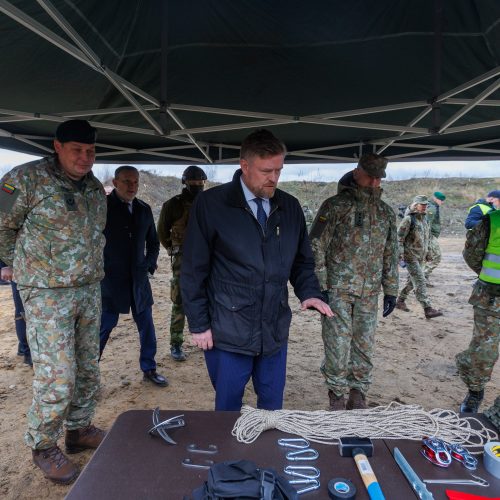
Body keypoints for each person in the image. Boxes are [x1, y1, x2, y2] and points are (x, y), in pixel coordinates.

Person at [181, 129, 333, 411]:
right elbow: (193, 269)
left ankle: (267, 457)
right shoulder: (212, 205)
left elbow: (302, 261)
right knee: (227, 409)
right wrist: (199, 324)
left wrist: (309, 292)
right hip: (228, 329)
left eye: (278, 170)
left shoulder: (289, 207)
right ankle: (227, 454)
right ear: (245, 166)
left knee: (272, 408)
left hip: (274, 328)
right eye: (266, 170)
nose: (273, 178)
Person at [0, 119, 106, 484]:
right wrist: (14, 264)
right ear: (58, 146)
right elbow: (0, 222)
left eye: (91, 151)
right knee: (58, 375)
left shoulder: (92, 186)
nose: (85, 158)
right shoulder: (23, 178)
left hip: (88, 290)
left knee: (88, 367)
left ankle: (78, 429)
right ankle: (43, 443)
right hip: (46, 294)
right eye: (77, 150)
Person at [309, 153, 399, 410]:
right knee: (337, 346)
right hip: (337, 291)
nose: (373, 183)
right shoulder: (334, 206)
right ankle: (336, 396)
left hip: (369, 292)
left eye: (378, 178)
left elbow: (391, 253)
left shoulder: (385, 212)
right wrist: (322, 286)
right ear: (357, 172)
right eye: (369, 176)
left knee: (364, 345)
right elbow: (316, 244)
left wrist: (391, 289)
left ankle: (358, 395)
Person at [99, 166, 167, 387]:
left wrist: (148, 265)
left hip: (138, 280)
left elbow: (154, 243)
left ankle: (149, 368)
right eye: (127, 181)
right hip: (110, 280)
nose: (132, 186)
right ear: (115, 182)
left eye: (135, 182)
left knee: (146, 326)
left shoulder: (143, 209)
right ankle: (88, 375)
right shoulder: (103, 208)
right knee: (104, 326)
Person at [157, 165, 207, 362]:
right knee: (180, 300)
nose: (197, 185)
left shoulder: (208, 203)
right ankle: (176, 343)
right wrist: (172, 248)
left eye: (200, 182)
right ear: (185, 182)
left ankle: (205, 337)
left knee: (206, 297)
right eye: (193, 182)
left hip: (206, 259)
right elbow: (162, 231)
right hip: (183, 259)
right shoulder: (173, 205)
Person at [456, 209, 500, 413]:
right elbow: (471, 254)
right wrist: (487, 277)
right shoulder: (492, 221)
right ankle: (475, 392)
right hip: (491, 298)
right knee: (483, 352)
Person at [395, 195, 443, 319]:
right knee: (420, 280)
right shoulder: (408, 219)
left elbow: (426, 238)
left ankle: (400, 301)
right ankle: (428, 308)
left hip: (420, 256)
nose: (425, 207)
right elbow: (399, 239)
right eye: (422, 204)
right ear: (416, 205)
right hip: (410, 256)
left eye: (426, 205)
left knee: (412, 282)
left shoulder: (425, 219)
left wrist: (428, 253)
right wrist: (400, 256)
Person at [0, 259, 31, 366]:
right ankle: (27, 352)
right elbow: (4, 242)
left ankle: (23, 347)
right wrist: (5, 265)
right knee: (23, 312)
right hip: (21, 267)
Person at [423, 191, 445, 287]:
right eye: (441, 200)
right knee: (437, 257)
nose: (442, 202)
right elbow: (427, 223)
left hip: (429, 235)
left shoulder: (433, 206)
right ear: (435, 198)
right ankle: (422, 276)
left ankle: (422, 278)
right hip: (429, 236)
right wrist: (426, 238)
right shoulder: (432, 207)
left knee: (427, 257)